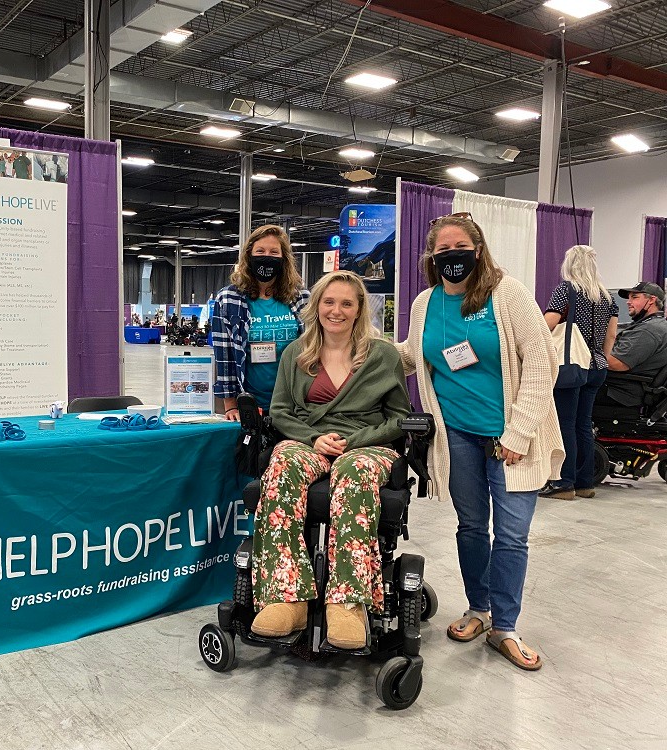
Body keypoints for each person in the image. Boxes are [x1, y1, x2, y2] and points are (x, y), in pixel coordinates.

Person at [396, 213, 563, 671]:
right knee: (471, 527)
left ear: (478, 248)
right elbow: (412, 354)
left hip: (510, 437)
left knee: (511, 535)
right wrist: (353, 351)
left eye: (460, 247)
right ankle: (478, 609)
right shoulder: (425, 303)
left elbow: (541, 361)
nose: (452, 256)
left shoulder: (505, 293)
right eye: (442, 249)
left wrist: (519, 431)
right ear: (431, 257)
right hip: (457, 437)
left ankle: (505, 627)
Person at [250, 271, 410, 648]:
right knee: (281, 461)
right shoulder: (297, 352)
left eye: (346, 303)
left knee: (354, 471)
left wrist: (355, 441)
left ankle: (347, 603)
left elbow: (398, 418)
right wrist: (314, 438)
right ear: (316, 306)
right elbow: (281, 411)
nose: (336, 310)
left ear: (358, 311)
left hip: (367, 444)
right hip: (313, 439)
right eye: (328, 302)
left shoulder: (382, 354)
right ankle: (287, 597)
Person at [540, 246, 619, 500]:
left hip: (571, 366)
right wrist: (601, 357)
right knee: (584, 424)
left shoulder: (567, 290)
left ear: (569, 264)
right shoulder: (607, 297)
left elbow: (548, 324)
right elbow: (611, 334)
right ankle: (586, 483)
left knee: (565, 424)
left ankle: (564, 483)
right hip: (597, 366)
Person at [212, 224, 310, 420]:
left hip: (294, 404)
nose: (267, 256)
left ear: (284, 259)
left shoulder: (301, 297)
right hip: (249, 403)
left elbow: (313, 348)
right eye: (260, 251)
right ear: (248, 256)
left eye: (274, 252)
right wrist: (230, 405)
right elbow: (224, 355)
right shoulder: (228, 299)